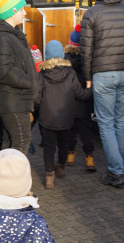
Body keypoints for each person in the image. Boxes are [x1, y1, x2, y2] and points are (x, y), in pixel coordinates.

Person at [81, 0, 124, 188]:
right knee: (120, 121)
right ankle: (117, 167)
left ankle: (116, 171)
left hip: (102, 74)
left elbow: (86, 49)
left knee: (106, 122)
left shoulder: (92, 13)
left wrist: (87, 77)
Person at [0, 0, 39, 156]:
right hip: (13, 101)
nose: (25, 13)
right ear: (12, 11)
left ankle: (4, 179)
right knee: (21, 144)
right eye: (21, 9)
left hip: (15, 99)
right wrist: (29, 82)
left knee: (10, 145)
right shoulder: (2, 37)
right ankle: (15, 179)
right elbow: (3, 70)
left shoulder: (12, 34)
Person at [37, 40, 92, 188]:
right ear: (62, 54)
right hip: (66, 117)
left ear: (47, 55)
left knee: (49, 147)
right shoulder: (70, 73)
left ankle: (49, 177)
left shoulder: (42, 74)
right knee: (64, 144)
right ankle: (61, 166)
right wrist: (90, 89)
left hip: (47, 117)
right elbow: (80, 94)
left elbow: (37, 98)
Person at [63, 25, 96, 172]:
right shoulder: (88, 61)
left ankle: (70, 155)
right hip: (85, 101)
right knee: (86, 130)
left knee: (71, 130)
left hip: (70, 102)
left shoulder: (65, 61)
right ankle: (89, 158)